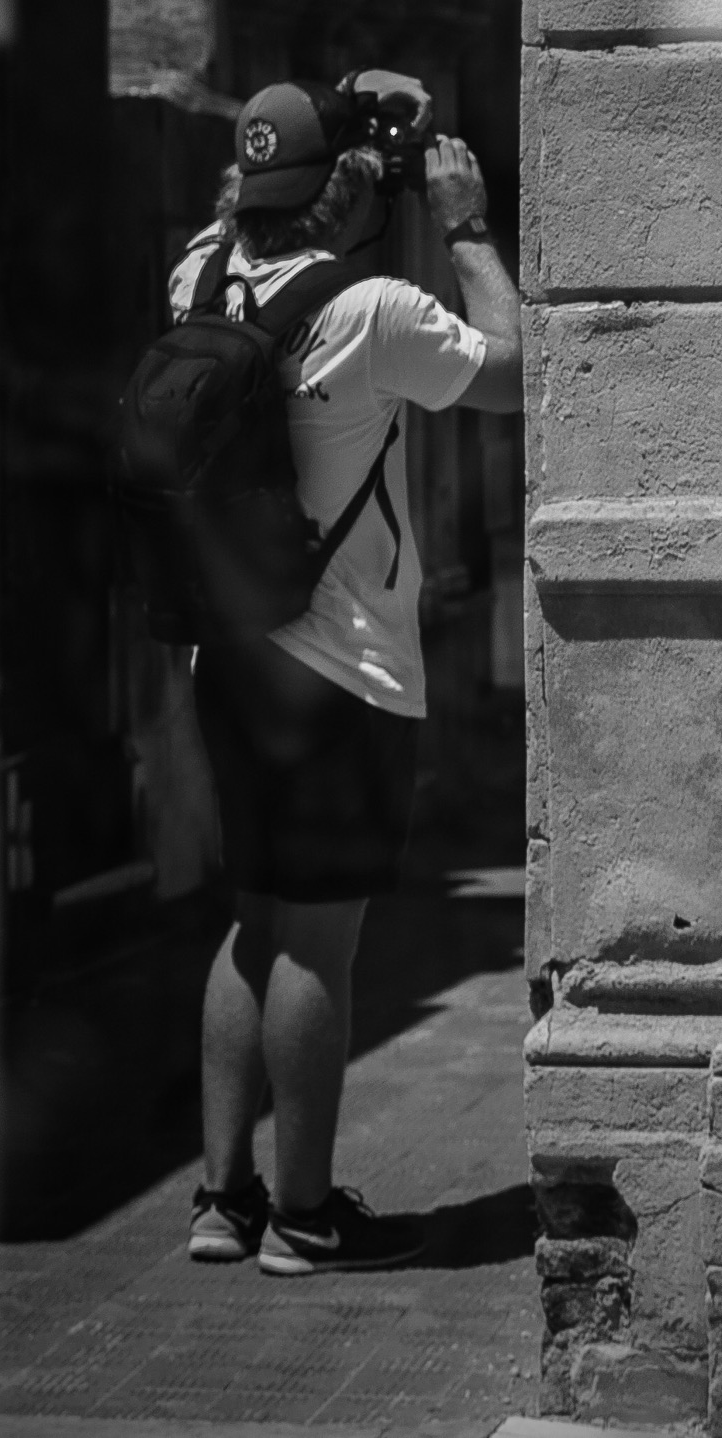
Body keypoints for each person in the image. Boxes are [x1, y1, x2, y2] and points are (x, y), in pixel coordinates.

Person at [174, 73, 522, 1276]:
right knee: (321, 942)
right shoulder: (373, 310)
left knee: (253, 922)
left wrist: (329, 137)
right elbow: (520, 372)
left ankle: (225, 1196)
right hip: (346, 671)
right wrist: (466, 222)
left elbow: (246, 209)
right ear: (340, 191)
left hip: (234, 659)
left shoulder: (197, 276)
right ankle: (309, 1217)